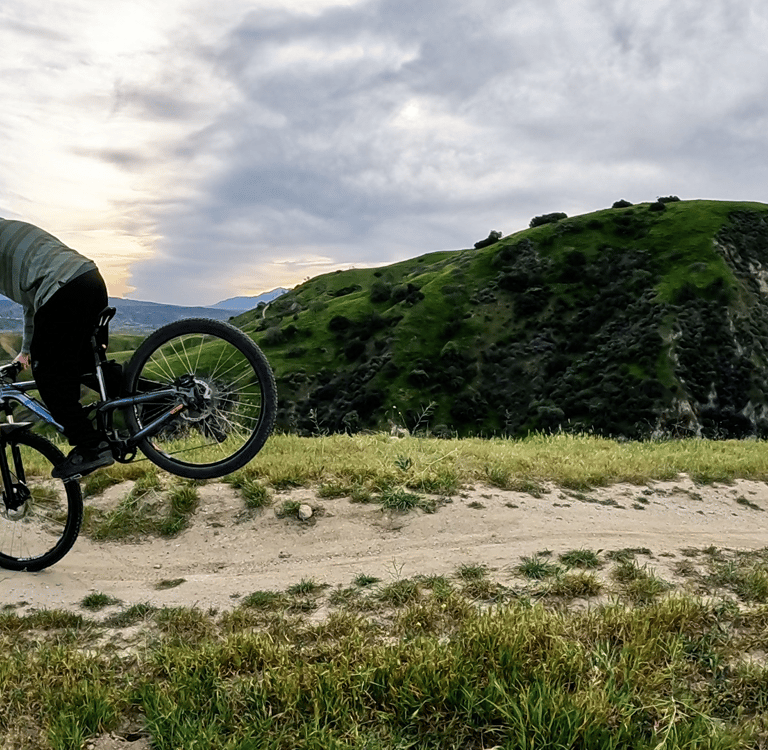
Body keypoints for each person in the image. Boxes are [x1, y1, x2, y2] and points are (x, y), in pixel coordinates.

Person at [0, 217, 115, 478]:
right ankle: (162, 405)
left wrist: (34, 356)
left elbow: (45, 300)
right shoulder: (9, 235)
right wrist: (26, 351)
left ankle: (91, 446)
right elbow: (34, 304)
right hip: (89, 280)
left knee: (50, 374)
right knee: (87, 366)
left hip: (64, 291)